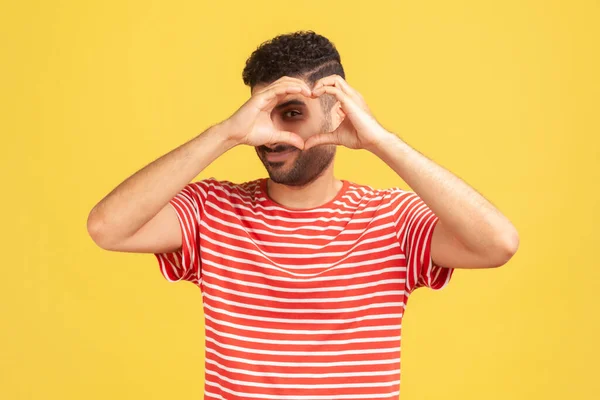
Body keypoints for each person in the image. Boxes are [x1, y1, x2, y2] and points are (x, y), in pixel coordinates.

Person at [87, 31, 519, 400]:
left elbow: (498, 244)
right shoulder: (212, 211)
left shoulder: (392, 219)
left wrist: (382, 141)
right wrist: (226, 133)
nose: (271, 134)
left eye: (291, 113)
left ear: (337, 113)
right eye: (261, 114)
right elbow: (107, 228)